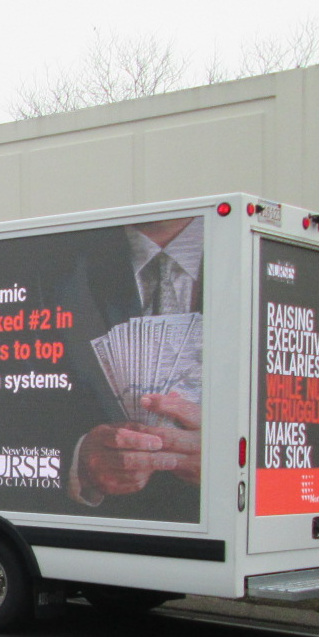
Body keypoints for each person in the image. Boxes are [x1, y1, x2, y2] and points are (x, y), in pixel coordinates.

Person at [55, 216, 205, 522]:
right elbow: (1, 394)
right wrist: (80, 461)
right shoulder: (56, 266)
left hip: (229, 519)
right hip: (98, 527)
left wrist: (237, 463)